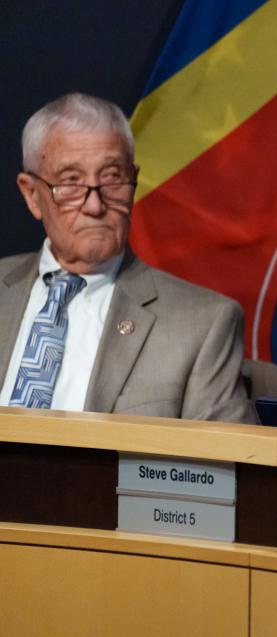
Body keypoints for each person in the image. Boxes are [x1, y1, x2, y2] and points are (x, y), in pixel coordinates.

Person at [0, 92, 255, 424]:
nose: (95, 206)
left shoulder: (204, 325)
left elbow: (226, 465)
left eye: (112, 178)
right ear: (33, 195)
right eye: (71, 182)